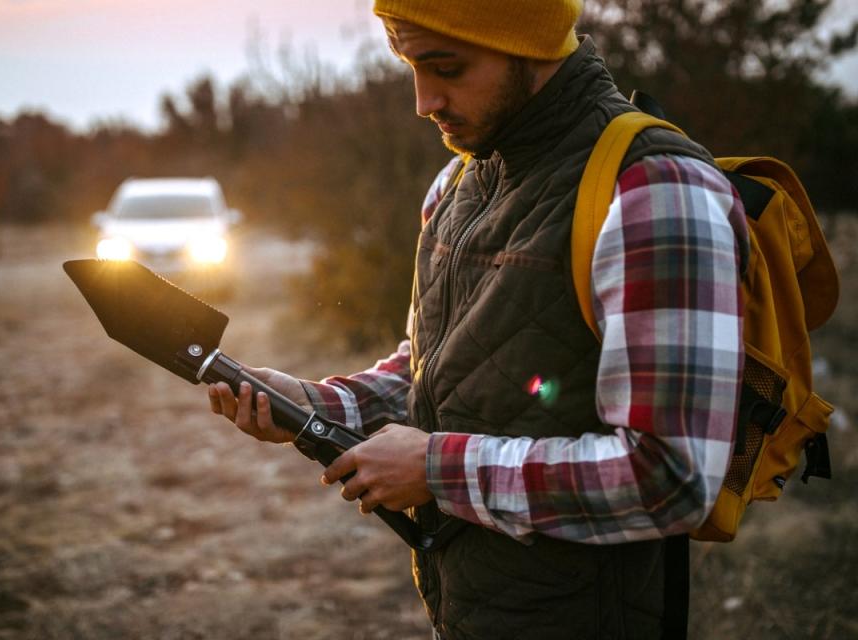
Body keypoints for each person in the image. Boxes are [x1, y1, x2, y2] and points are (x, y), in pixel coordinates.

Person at [207, 1, 749, 638]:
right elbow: (440, 372)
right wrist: (322, 403)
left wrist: (437, 469)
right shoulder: (454, 185)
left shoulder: (655, 190)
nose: (423, 100)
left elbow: (671, 477)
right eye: (411, 65)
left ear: (530, 43)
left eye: (448, 67)